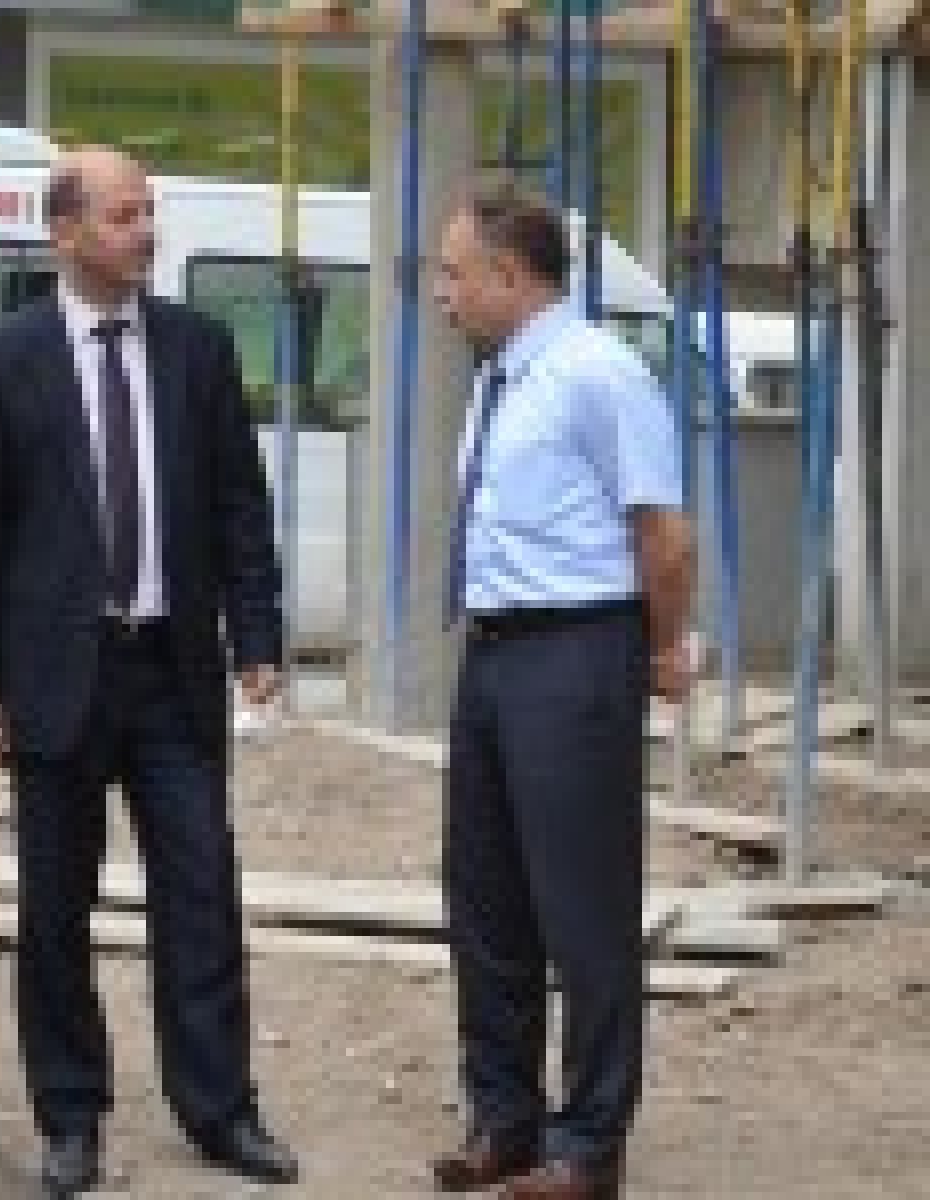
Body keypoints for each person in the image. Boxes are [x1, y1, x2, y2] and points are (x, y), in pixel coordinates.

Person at [0, 148, 297, 1197]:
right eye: (122, 215)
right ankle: (70, 1117)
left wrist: (259, 637)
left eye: (150, 212)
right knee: (55, 909)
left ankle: (220, 1111)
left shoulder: (197, 349)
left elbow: (238, 504)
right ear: (64, 233)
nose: (145, 231)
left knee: (201, 895)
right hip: (57, 675)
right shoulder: (0, 362)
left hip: (170, 673)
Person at [428, 181, 694, 1200]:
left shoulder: (598, 373)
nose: (443, 294)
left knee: (583, 910)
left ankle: (588, 1145)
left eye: (454, 274)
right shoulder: (500, 380)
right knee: (485, 899)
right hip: (494, 654)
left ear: (508, 275)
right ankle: (505, 1120)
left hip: (575, 653)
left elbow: (663, 536)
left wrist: (662, 651)